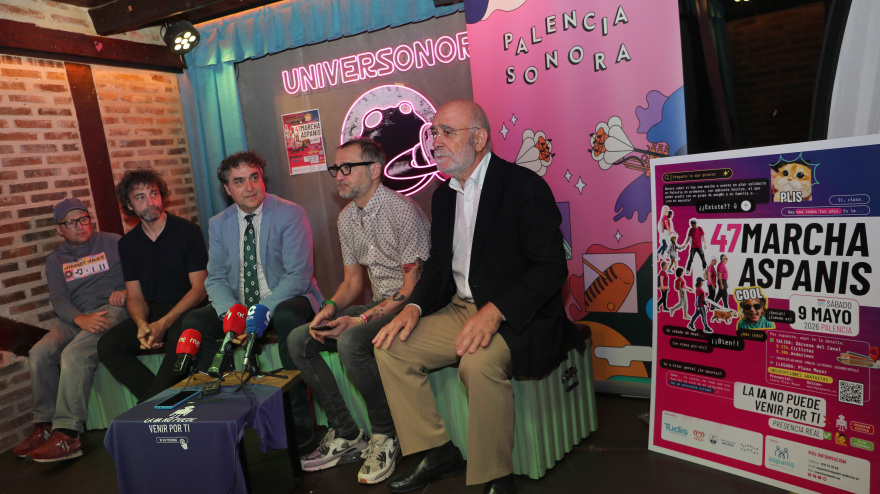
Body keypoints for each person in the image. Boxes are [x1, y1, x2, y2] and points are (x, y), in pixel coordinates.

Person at [372, 100, 584, 494]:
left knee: (477, 362)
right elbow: (437, 266)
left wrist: (496, 311)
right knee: (390, 348)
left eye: (446, 132)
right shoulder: (444, 195)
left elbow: (551, 269)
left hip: (521, 315)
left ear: (480, 139)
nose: (435, 141)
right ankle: (436, 451)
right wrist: (414, 306)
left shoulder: (523, 187)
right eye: (433, 132)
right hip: (461, 308)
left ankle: (493, 478)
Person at [289, 138, 431, 484]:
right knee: (300, 339)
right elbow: (352, 283)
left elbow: (411, 289)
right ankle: (348, 433)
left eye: (347, 167)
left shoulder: (403, 211)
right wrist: (330, 308)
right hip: (379, 302)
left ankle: (386, 435)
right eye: (336, 168)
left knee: (351, 341)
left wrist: (361, 318)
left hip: (413, 307)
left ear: (375, 170)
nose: (339, 175)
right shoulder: (347, 217)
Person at [181, 150, 323, 447]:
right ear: (227, 189)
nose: (249, 187)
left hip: (289, 298)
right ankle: (223, 414)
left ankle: (299, 419)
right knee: (195, 319)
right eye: (239, 181)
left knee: (285, 315)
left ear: (262, 178)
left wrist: (256, 315)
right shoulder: (219, 223)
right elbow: (216, 279)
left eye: (254, 177)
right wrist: (233, 315)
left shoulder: (289, 212)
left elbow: (298, 276)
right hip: (241, 305)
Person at [14, 198, 128, 462]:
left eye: (83, 218)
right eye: (70, 222)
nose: (79, 225)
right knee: (40, 352)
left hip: (112, 309)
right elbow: (59, 300)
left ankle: (68, 434)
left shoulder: (113, 242)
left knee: (74, 354)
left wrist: (128, 290)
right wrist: (79, 319)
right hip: (75, 318)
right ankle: (45, 425)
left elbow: (141, 273)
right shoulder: (56, 260)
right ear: (59, 229)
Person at [96, 169, 208, 402]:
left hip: (191, 308)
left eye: (154, 193)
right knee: (108, 345)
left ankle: (152, 407)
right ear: (128, 205)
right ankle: (163, 401)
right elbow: (135, 296)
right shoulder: (128, 244)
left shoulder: (187, 231)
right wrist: (141, 324)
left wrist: (163, 324)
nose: (151, 202)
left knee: (180, 339)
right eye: (141, 197)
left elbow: (200, 288)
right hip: (156, 309)